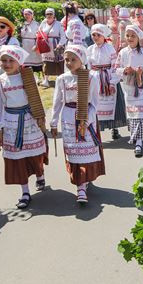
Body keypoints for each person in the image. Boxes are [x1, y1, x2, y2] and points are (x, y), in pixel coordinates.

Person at [0, 45, 49, 209]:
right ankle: (25, 191)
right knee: (18, 159)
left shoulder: (27, 77)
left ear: (18, 62)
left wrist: (40, 117)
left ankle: (40, 173)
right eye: (4, 60)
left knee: (35, 153)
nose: (7, 64)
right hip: (11, 123)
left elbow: (35, 99)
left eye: (11, 60)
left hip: (29, 119)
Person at [50, 44, 105, 204]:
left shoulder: (91, 77)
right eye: (67, 59)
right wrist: (53, 123)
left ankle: (83, 183)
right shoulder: (62, 79)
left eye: (74, 59)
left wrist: (87, 120)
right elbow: (57, 102)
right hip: (68, 117)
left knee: (85, 151)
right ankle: (80, 185)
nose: (69, 62)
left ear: (82, 60)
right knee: (74, 152)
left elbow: (95, 102)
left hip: (86, 117)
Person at [114, 24, 143, 157]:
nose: (130, 38)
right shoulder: (122, 53)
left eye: (133, 36)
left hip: (141, 88)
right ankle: (137, 136)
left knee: (140, 115)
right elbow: (116, 69)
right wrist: (125, 71)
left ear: (138, 38)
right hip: (128, 88)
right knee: (132, 115)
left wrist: (142, 71)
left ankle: (138, 142)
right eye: (128, 35)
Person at [87, 23, 126, 140]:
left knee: (113, 105)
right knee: (96, 105)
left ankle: (115, 129)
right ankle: (96, 131)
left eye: (98, 35)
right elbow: (88, 66)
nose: (95, 37)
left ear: (103, 36)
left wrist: (113, 81)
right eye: (93, 35)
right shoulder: (89, 49)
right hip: (95, 80)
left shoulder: (110, 48)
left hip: (108, 78)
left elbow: (115, 65)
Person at [38, 7, 67, 87]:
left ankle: (60, 80)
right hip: (46, 46)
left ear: (54, 15)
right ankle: (46, 80)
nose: (49, 15)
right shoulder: (43, 23)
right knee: (46, 63)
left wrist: (60, 44)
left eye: (51, 14)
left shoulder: (58, 24)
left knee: (58, 63)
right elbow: (39, 33)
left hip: (56, 46)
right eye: (47, 14)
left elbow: (63, 36)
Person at [19, 8, 43, 75]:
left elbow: (39, 36)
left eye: (28, 14)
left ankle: (38, 76)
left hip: (33, 44)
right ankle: (28, 76)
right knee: (26, 61)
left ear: (32, 15)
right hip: (24, 45)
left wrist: (37, 45)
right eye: (25, 14)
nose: (27, 16)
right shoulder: (22, 24)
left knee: (35, 61)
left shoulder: (36, 24)